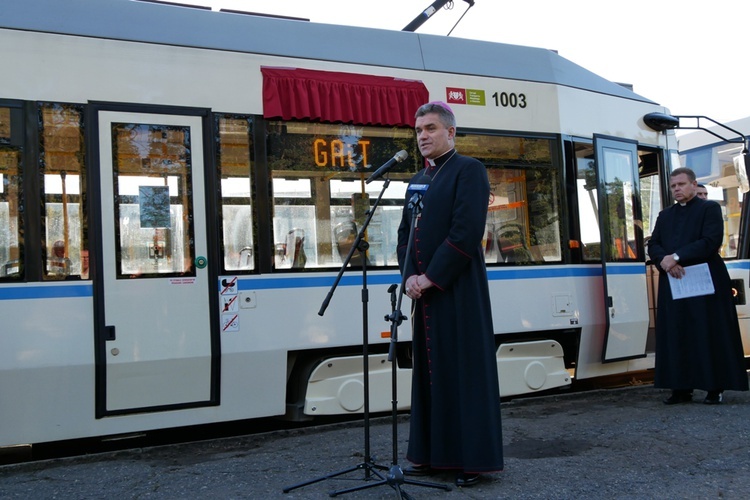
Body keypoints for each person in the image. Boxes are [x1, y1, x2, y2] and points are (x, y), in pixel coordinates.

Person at [397, 101, 503, 487]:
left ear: (450, 132)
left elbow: (465, 232)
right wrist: (409, 277)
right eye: (419, 130)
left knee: (463, 373)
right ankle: (430, 455)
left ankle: (471, 462)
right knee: (429, 376)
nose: (422, 136)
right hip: (425, 296)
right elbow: (404, 235)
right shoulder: (416, 179)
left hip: (457, 291)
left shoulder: (469, 170)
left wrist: (430, 278)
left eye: (430, 128)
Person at [647, 167, 748, 405]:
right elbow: (654, 243)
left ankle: (715, 388)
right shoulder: (665, 215)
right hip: (675, 280)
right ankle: (681, 388)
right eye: (673, 186)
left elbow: (710, 241)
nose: (677, 189)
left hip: (706, 281)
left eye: (681, 184)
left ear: (694, 185)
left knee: (708, 332)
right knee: (677, 332)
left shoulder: (709, 209)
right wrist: (665, 261)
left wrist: (677, 257)